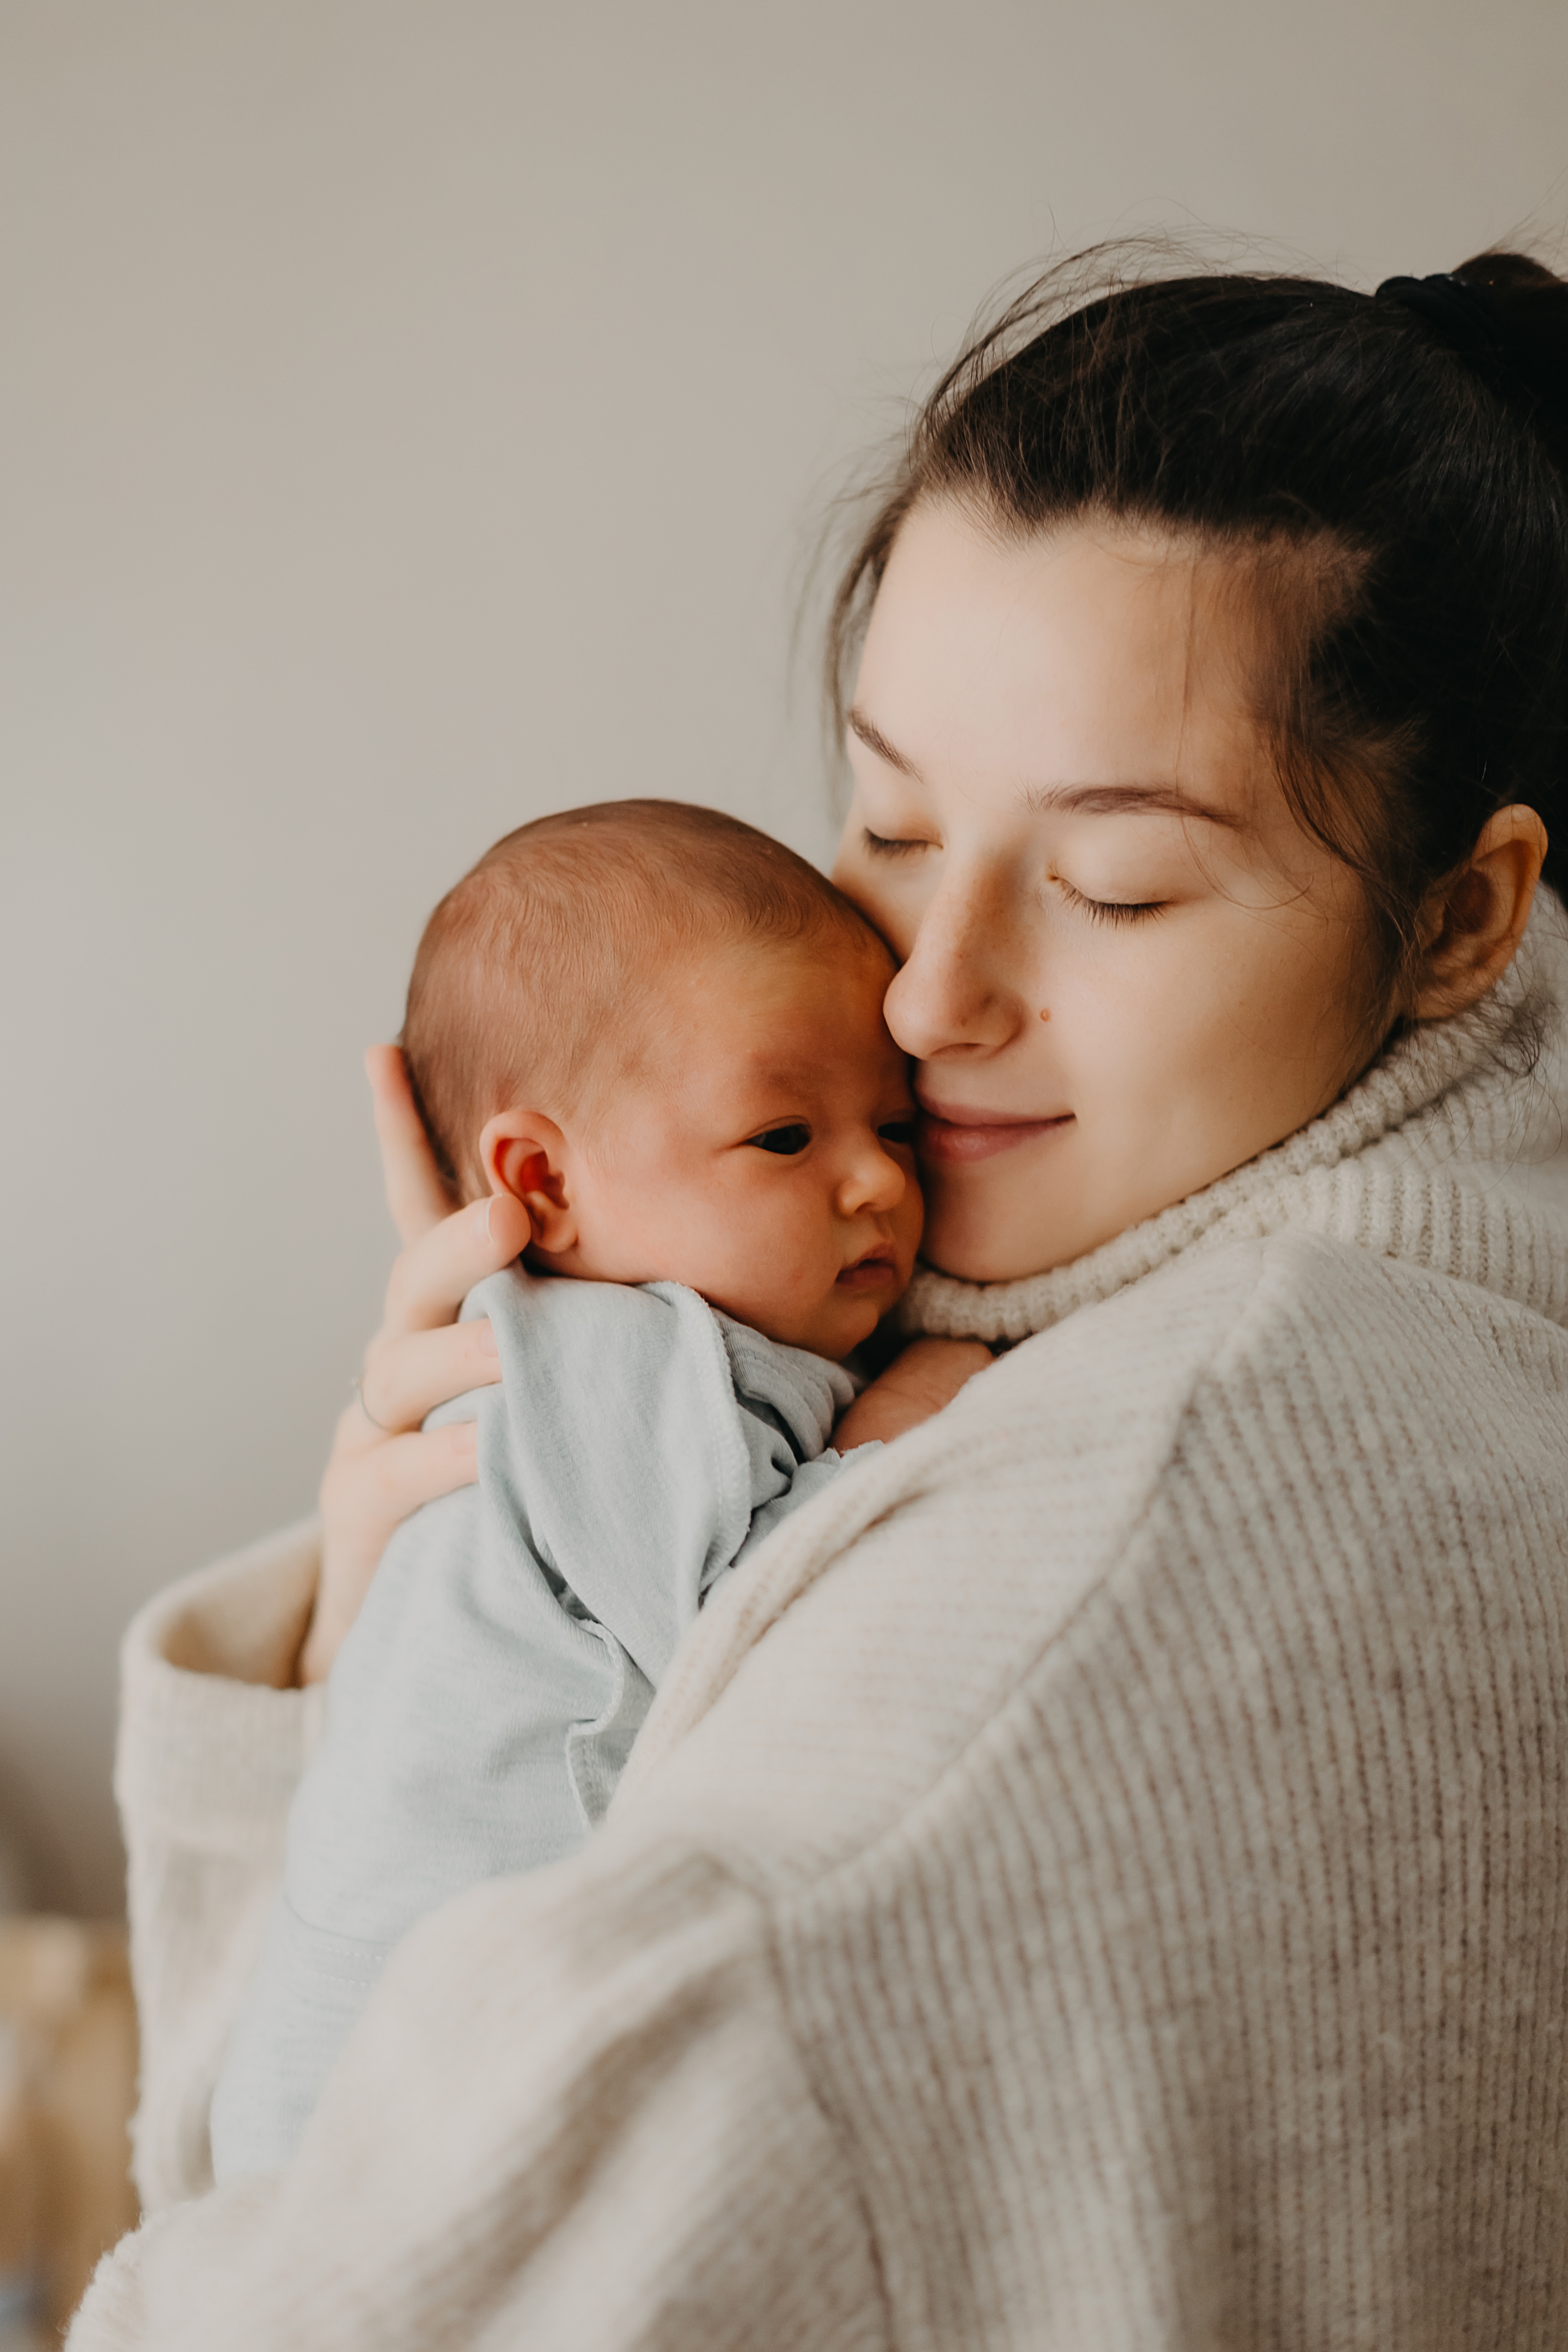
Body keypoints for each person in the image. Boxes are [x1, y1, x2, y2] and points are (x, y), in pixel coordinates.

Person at [75, 248, 1568, 2349]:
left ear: (1462, 915)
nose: (929, 992)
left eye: (1114, 882)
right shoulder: (1448, 1293)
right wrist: (384, 1596)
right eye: (888, 820)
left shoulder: (1068, 1594)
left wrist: (310, 1781)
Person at [209, 798, 980, 2181]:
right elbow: (746, 1630)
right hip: (395, 2080)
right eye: (785, 1140)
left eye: (897, 1125)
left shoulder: (640, 1356)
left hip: (365, 2058)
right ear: (540, 1180)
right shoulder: (618, 1360)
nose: (875, 1179)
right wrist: (898, 1428)